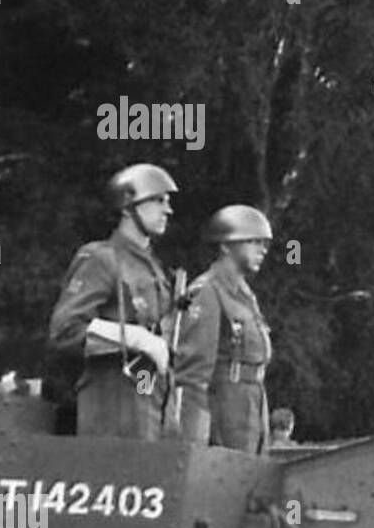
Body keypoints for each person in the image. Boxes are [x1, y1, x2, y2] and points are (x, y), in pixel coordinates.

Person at [47, 163, 182, 440]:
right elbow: (65, 330)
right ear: (126, 206)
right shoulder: (102, 258)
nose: (167, 210)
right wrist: (137, 338)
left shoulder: (155, 269)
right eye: (158, 200)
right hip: (113, 414)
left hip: (154, 408)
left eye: (167, 202)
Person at [175, 206, 274, 453]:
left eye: (264, 243)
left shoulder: (245, 295)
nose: (263, 249)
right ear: (226, 246)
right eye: (253, 241)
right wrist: (192, 444)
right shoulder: (207, 291)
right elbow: (193, 377)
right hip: (224, 417)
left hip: (251, 410)